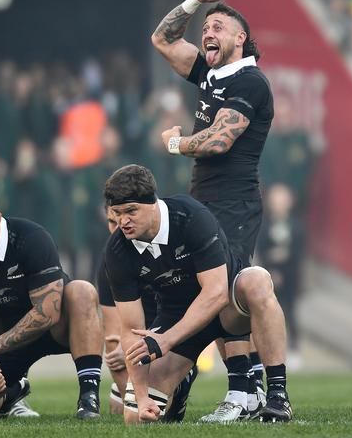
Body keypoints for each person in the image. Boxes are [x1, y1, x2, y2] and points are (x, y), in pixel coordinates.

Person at [152, 0, 272, 422]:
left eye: (218, 26)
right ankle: (244, 388)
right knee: (214, 289)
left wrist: (175, 143)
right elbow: (162, 39)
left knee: (224, 292)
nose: (208, 33)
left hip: (235, 204)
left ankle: (245, 393)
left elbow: (220, 141)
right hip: (204, 201)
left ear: (241, 38)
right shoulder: (211, 73)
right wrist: (195, 0)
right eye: (206, 28)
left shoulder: (251, 82)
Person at [103, 164, 292, 424]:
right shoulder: (117, 249)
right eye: (117, 213)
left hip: (229, 305)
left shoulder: (189, 215)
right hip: (179, 317)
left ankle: (276, 395)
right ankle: (181, 383)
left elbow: (215, 293)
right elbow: (132, 330)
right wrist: (142, 393)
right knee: (135, 417)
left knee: (257, 281)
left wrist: (167, 340)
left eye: (131, 211)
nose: (123, 221)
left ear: (153, 203)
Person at [0, 183, 104, 420]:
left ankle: (88, 397)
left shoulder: (31, 237)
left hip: (58, 327)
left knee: (82, 291)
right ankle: (12, 393)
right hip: (6, 337)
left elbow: (48, 312)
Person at [96, 206, 197, 420]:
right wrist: (127, 359)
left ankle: (243, 385)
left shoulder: (169, 246)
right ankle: (149, 392)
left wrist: (166, 342)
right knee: (127, 410)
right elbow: (115, 335)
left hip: (175, 334)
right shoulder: (113, 259)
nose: (119, 227)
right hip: (143, 346)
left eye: (125, 218)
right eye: (112, 222)